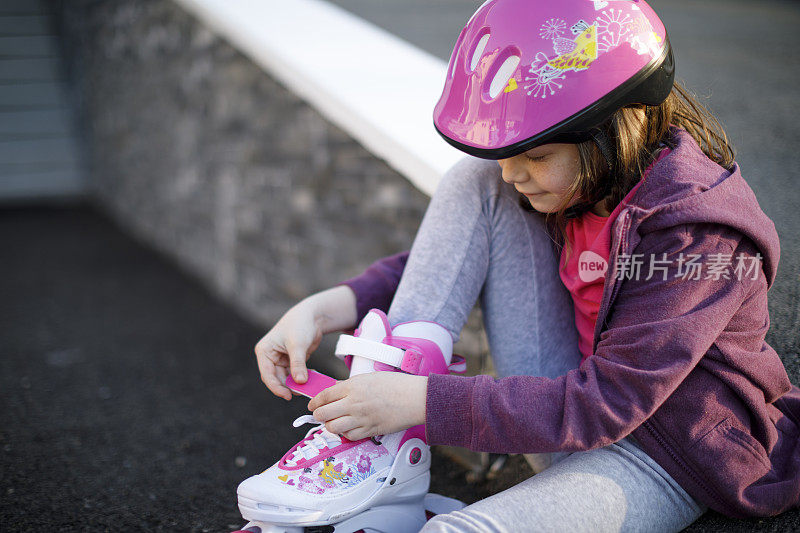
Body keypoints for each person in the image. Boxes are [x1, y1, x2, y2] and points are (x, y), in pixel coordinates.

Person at [254, 0, 800, 531]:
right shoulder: (584, 184)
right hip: (566, 415)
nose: (513, 172)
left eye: (535, 156)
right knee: (474, 181)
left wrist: (422, 402)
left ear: (619, 127)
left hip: (665, 452)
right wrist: (329, 307)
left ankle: (392, 436)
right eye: (507, 153)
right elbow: (458, 251)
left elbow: (609, 402)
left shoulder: (699, 235)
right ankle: (382, 459)